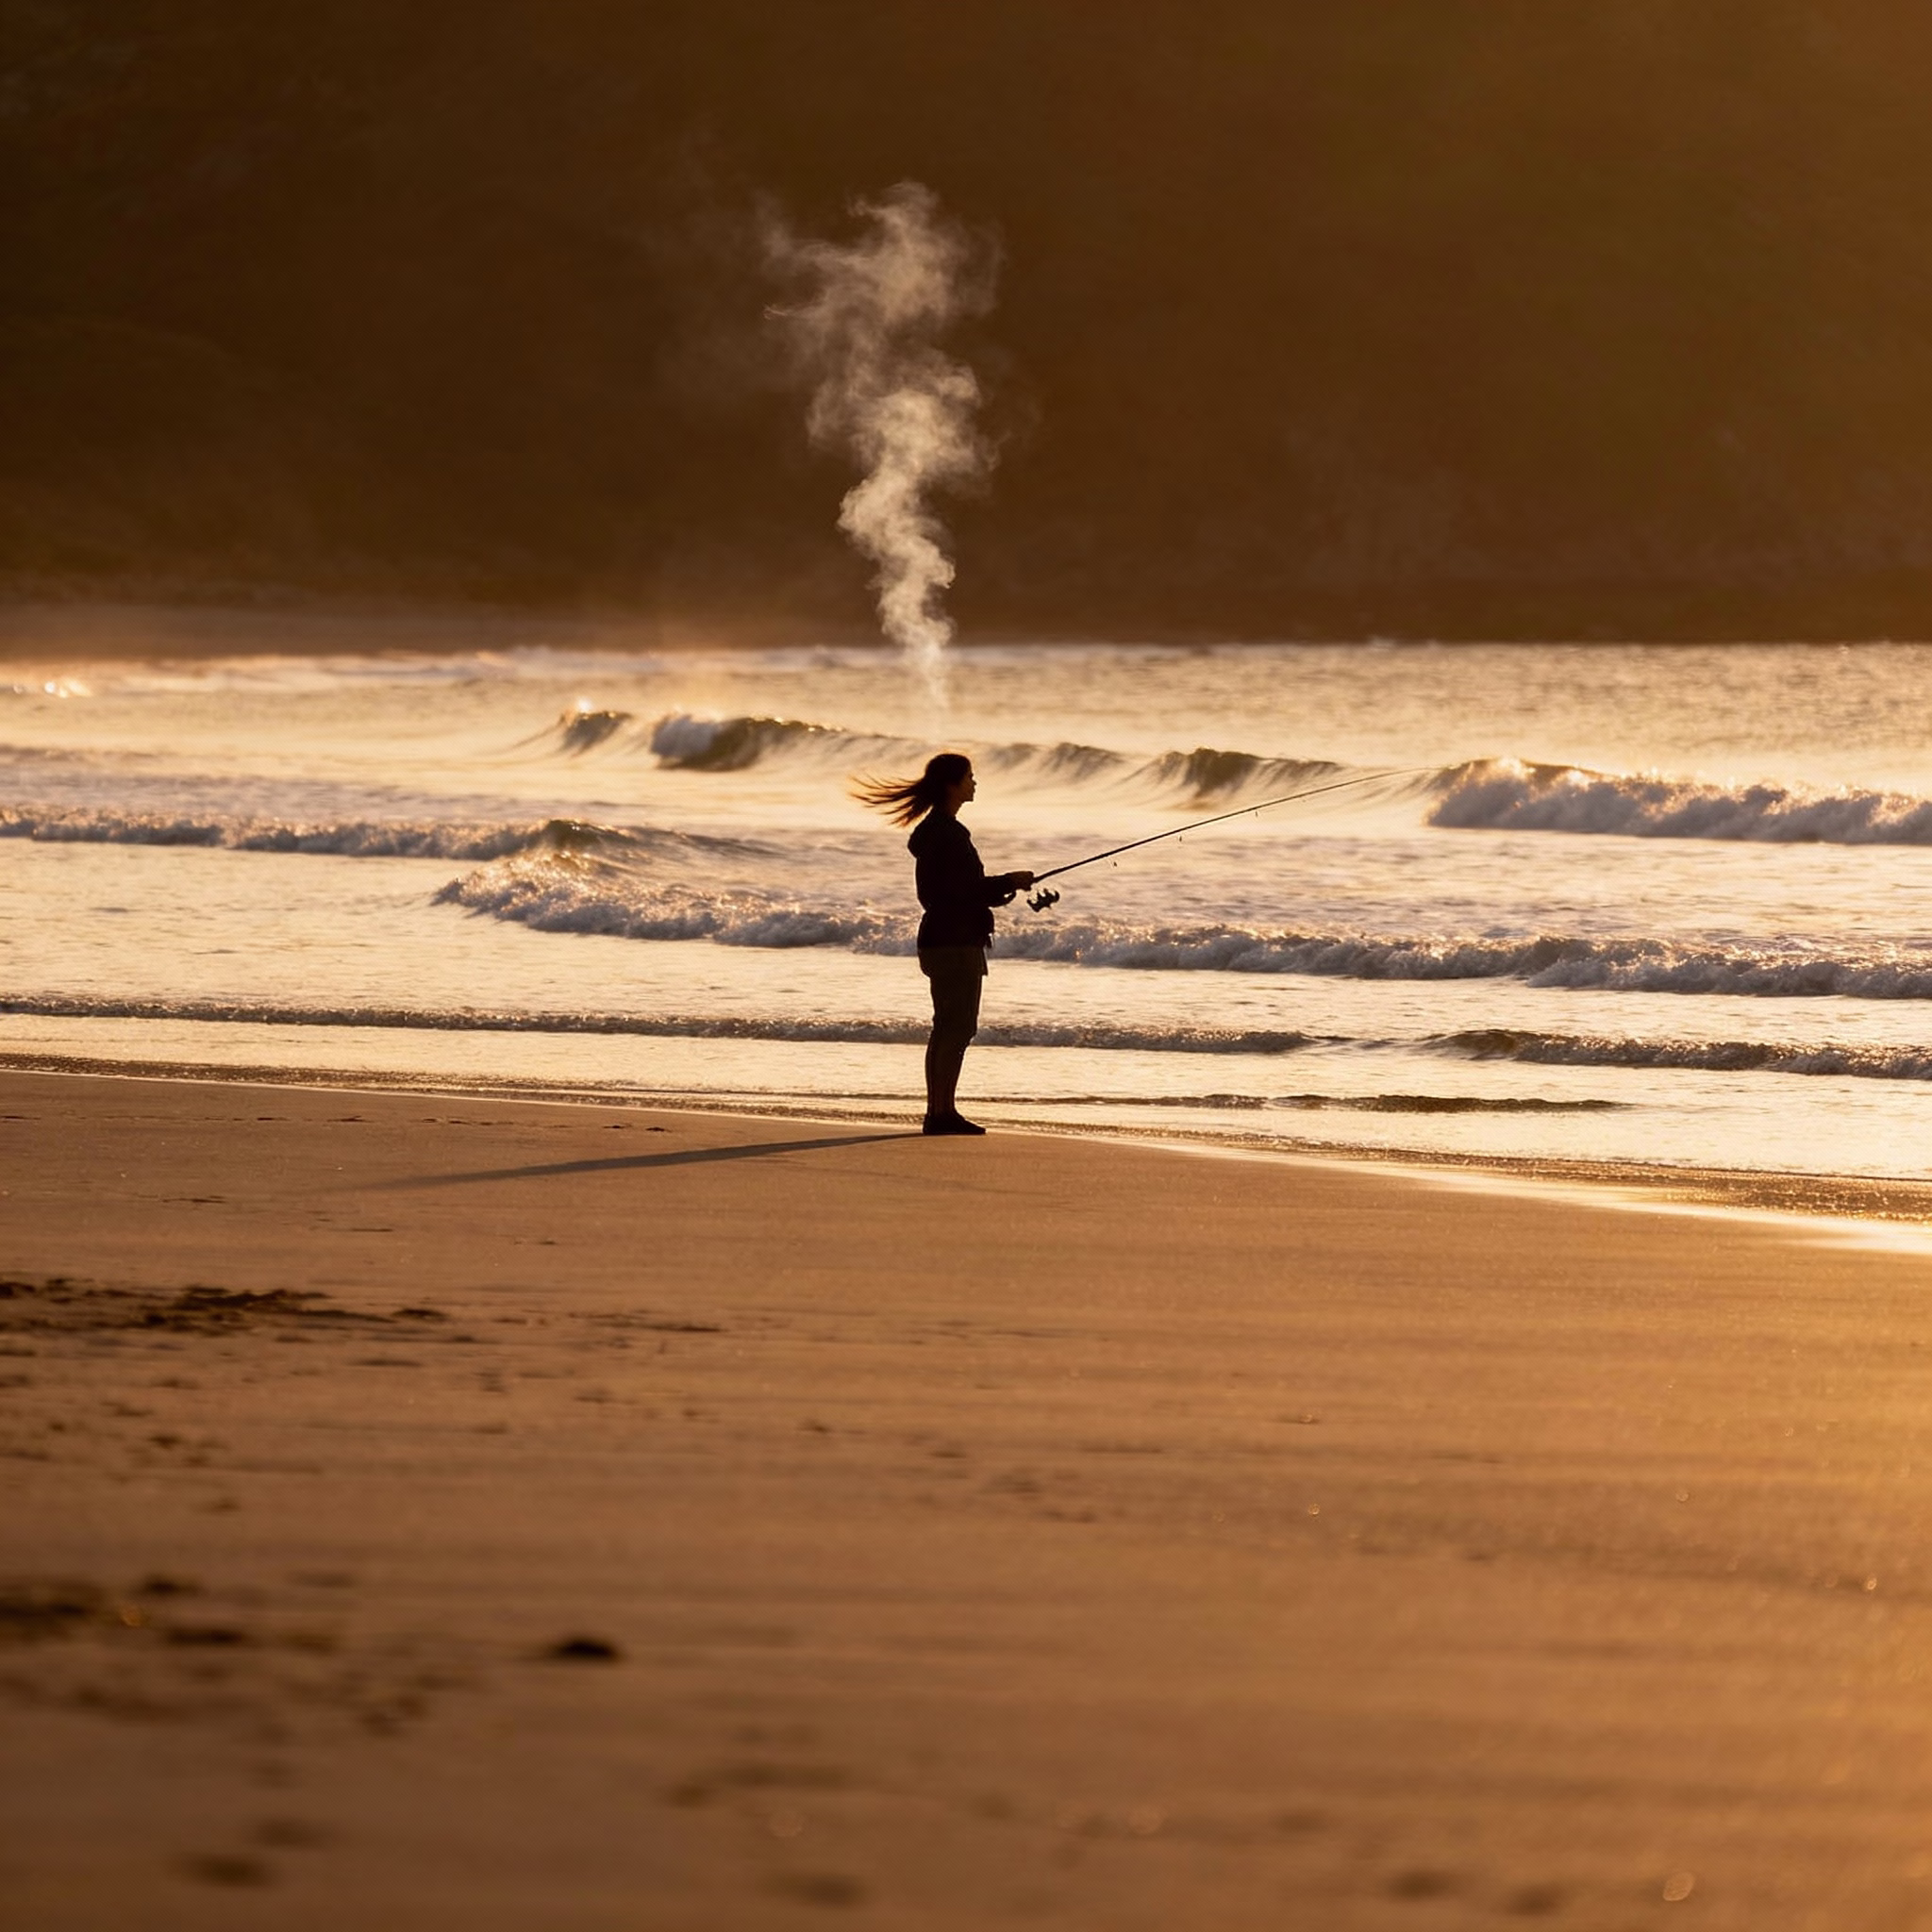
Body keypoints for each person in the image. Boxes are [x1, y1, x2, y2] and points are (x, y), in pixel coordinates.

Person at [853, 753, 1034, 1136]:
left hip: (940, 937)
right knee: (957, 1028)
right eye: (969, 777)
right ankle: (940, 1113)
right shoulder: (950, 834)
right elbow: (966, 891)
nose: (974, 782)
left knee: (947, 1028)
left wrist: (1002, 889)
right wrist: (1009, 881)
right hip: (954, 943)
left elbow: (949, 893)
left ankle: (939, 1111)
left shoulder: (934, 832)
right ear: (953, 785)